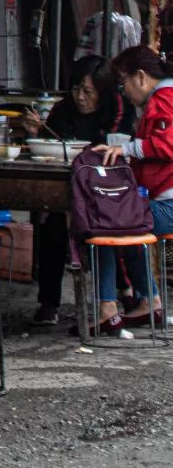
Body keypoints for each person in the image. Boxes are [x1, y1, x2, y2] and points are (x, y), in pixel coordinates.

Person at [21, 55, 125, 327]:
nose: (80, 97)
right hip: (64, 186)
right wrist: (34, 133)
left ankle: (124, 293)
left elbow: (119, 148)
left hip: (104, 190)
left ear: (102, 92)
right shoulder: (63, 109)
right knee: (52, 229)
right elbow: (48, 144)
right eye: (76, 89)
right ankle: (48, 303)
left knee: (110, 233)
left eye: (88, 91)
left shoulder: (116, 110)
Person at [98, 44, 173, 329]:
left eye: (124, 83)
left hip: (169, 204)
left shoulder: (164, 98)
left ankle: (109, 307)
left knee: (106, 225)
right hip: (165, 199)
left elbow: (168, 144)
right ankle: (147, 302)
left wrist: (127, 148)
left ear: (140, 77)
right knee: (125, 226)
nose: (124, 92)